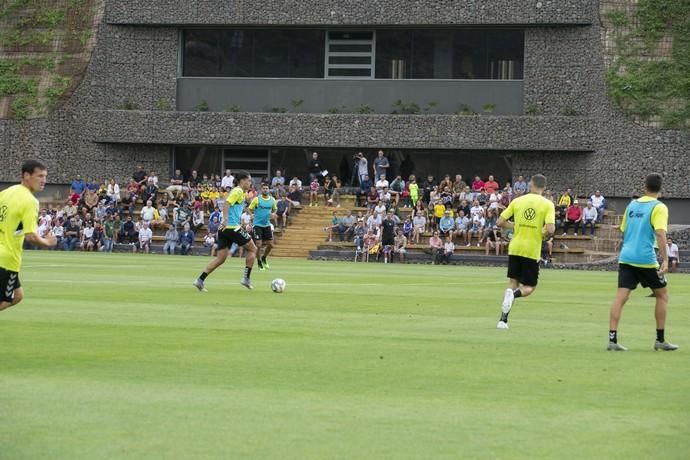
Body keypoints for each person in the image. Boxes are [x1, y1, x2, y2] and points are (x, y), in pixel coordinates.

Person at [607, 174, 677, 351]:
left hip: (626, 257)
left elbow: (624, 229)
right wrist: (666, 260)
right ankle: (660, 340)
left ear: (644, 186)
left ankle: (612, 341)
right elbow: (661, 234)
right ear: (661, 189)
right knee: (662, 295)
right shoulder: (659, 207)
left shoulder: (632, 204)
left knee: (620, 297)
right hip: (645, 259)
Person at [495, 174, 555, 329]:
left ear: (531, 185)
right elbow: (550, 229)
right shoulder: (547, 204)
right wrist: (542, 232)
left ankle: (503, 320)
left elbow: (500, 222)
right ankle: (513, 296)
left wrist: (515, 226)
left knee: (512, 283)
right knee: (529, 287)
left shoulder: (518, 200)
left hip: (515, 246)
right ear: (544, 187)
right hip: (531, 249)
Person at [0, 160, 58, 312]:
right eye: (39, 176)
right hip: (6, 259)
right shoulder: (30, 201)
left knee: (18, 295)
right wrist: (48, 242)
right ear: (26, 175)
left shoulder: (6, 192)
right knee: (4, 302)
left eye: (45, 176)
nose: (44, 180)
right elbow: (31, 236)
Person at [194, 171, 257, 291]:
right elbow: (227, 204)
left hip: (224, 229)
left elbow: (236, 206)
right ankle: (246, 278)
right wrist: (226, 220)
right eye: (248, 180)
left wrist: (249, 212)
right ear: (242, 181)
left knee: (221, 258)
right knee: (253, 248)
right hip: (231, 228)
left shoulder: (241, 193)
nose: (250, 183)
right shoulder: (238, 191)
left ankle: (200, 280)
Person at [249, 183, 277, 271]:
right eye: (264, 188)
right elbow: (249, 209)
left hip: (267, 225)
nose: (265, 190)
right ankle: (259, 262)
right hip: (257, 225)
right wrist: (251, 215)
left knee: (271, 245)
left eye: (267, 188)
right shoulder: (257, 199)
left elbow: (275, 209)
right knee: (259, 245)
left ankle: (264, 257)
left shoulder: (272, 200)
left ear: (268, 189)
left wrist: (273, 213)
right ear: (261, 190)